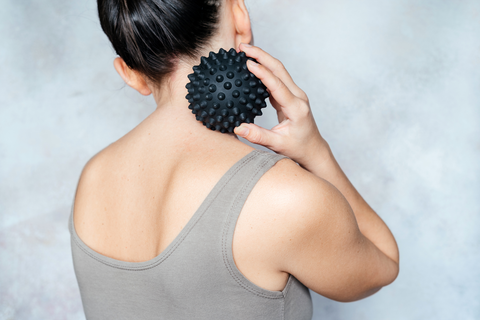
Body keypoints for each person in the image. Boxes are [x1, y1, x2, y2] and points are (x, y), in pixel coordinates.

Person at [68, 0, 399, 319]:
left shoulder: (92, 178)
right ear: (240, 18)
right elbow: (383, 264)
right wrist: (315, 151)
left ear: (129, 73)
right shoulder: (283, 197)